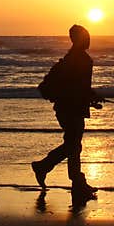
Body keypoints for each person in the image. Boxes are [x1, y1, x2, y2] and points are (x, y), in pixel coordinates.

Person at [32, 24, 104, 198]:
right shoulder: (80, 60)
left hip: (67, 108)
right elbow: (79, 89)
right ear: (78, 39)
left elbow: (79, 88)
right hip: (71, 109)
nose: (89, 39)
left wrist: (92, 99)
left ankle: (45, 168)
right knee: (73, 146)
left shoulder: (74, 58)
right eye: (86, 37)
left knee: (72, 145)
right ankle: (74, 183)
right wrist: (91, 98)